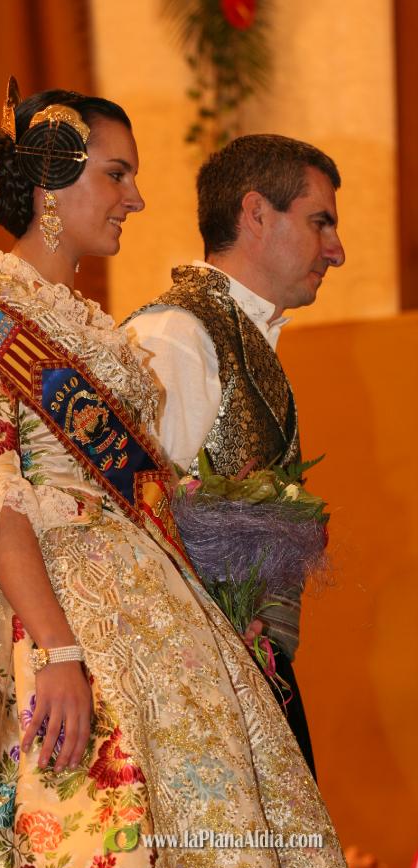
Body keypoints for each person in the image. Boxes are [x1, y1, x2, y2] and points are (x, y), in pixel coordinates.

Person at [0, 90, 356, 868]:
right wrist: (59, 652)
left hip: (135, 602)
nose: (135, 198)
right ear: (51, 184)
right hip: (29, 616)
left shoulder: (86, 323)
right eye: (116, 174)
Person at [127, 134, 346, 779]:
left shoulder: (238, 337)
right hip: (193, 694)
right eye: (320, 222)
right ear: (256, 214)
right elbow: (132, 530)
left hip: (241, 675)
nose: (336, 249)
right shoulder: (173, 336)